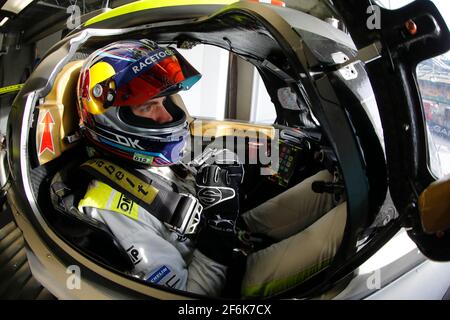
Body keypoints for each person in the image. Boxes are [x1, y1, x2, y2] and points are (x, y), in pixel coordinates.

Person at [70, 39, 346, 298]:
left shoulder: (154, 161)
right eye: (148, 107)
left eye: (165, 102)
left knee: (333, 184)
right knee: (347, 225)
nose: (167, 115)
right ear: (113, 121)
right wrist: (218, 225)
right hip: (230, 278)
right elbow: (188, 296)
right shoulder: (110, 207)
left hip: (231, 236)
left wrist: (220, 178)